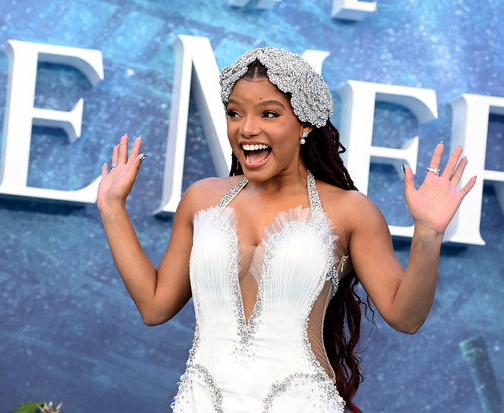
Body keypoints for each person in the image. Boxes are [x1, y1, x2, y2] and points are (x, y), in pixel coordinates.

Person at [97, 47, 476, 412]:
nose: (247, 129)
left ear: (305, 123)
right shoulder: (201, 198)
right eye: (234, 113)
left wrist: (428, 233)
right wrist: (112, 207)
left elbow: (405, 318)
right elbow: (154, 305)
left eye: (269, 114)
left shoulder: (350, 211)